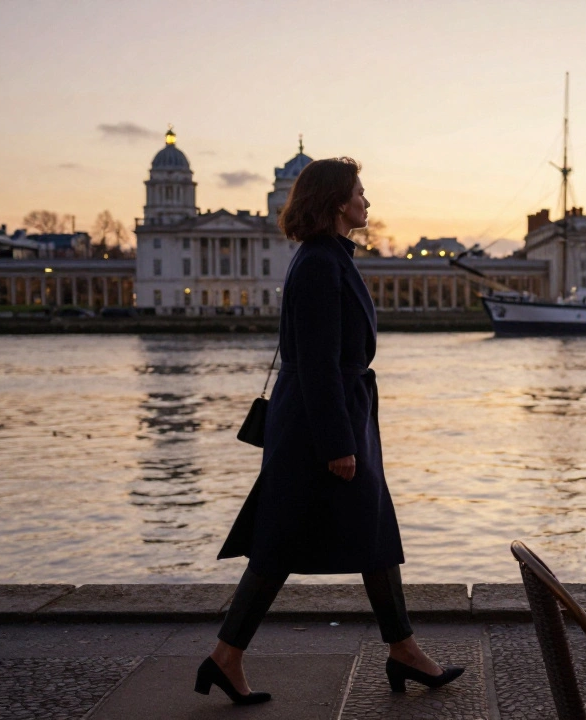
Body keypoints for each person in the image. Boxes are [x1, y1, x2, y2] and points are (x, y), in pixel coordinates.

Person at [194, 157, 463, 704]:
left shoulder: (323, 257)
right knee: (291, 543)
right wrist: (339, 444)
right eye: (361, 193)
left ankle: (398, 649)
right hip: (325, 421)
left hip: (328, 414)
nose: (368, 202)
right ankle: (230, 656)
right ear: (339, 202)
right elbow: (317, 362)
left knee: (357, 536)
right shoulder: (320, 262)